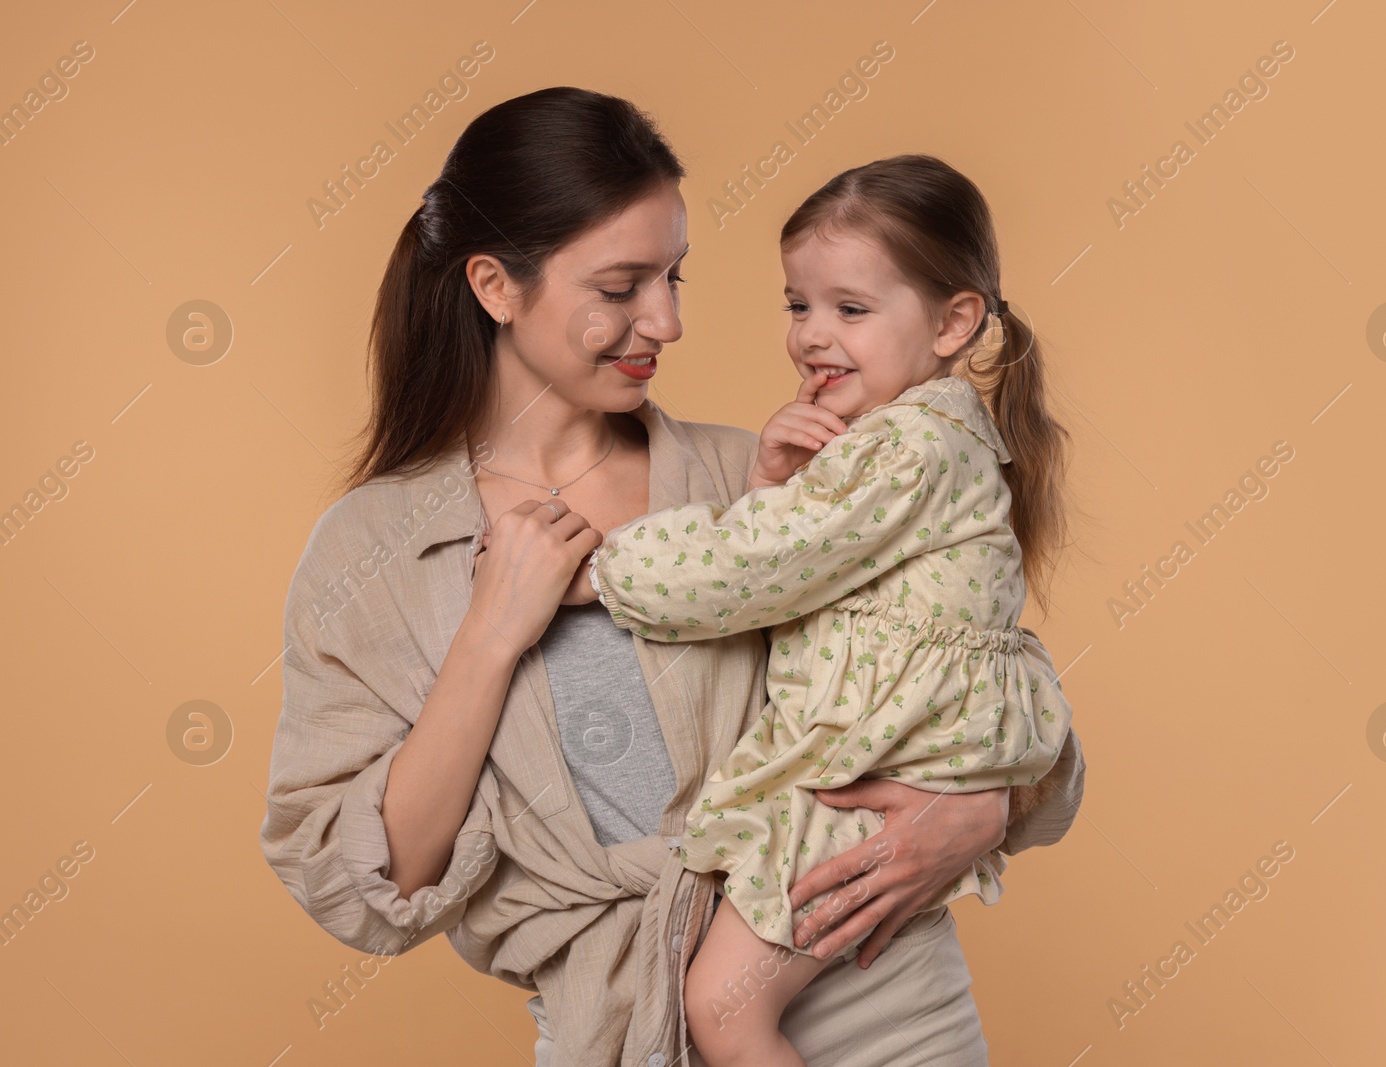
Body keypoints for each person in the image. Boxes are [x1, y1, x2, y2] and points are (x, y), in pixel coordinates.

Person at [259, 87, 1087, 1067]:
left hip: (885, 1005)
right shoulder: (371, 554)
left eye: (674, 277)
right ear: (494, 285)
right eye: (621, 286)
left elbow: (967, 667)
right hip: (622, 1028)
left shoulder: (759, 478)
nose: (667, 319)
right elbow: (363, 884)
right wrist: (490, 634)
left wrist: (980, 811)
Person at [577, 155, 1076, 1066]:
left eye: (851, 309)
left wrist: (603, 567)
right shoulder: (927, 438)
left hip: (865, 777)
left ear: (954, 321)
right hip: (900, 763)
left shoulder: (909, 446)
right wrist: (773, 482)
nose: (813, 336)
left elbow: (741, 573)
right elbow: (792, 591)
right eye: (798, 305)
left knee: (723, 1011)